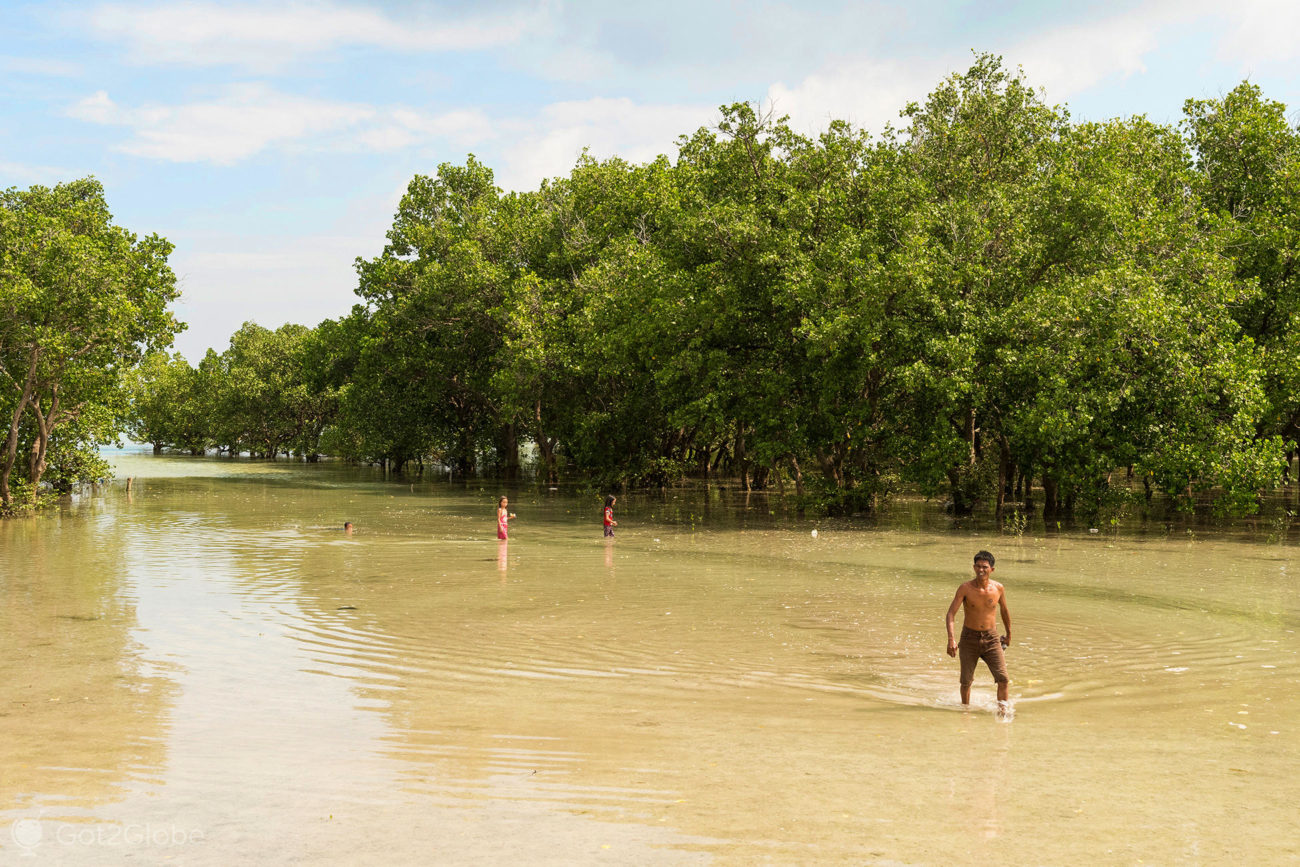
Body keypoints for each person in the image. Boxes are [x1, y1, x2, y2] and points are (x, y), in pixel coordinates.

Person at [945, 550, 1012, 711]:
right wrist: (951, 639)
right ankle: (965, 712)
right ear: (974, 567)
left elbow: (1004, 611)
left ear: (992, 569)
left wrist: (1009, 634)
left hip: (992, 638)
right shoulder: (965, 588)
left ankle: (1003, 712)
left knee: (1003, 679)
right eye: (978, 566)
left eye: (985, 567)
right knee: (966, 681)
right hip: (969, 638)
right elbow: (950, 614)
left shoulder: (998, 588)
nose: (981, 570)